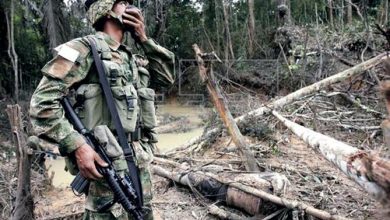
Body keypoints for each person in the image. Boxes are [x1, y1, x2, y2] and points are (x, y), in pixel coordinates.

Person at [29, 0, 175, 219]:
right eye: (123, 2)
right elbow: (41, 104)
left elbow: (166, 79)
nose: (130, 6)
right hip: (105, 163)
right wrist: (77, 146)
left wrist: (143, 39)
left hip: (138, 162)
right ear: (105, 8)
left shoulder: (131, 58)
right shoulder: (79, 48)